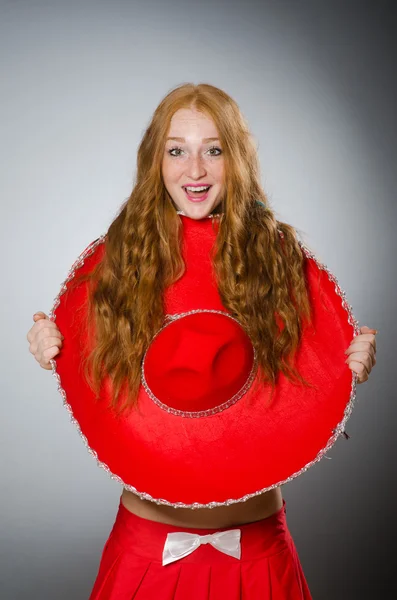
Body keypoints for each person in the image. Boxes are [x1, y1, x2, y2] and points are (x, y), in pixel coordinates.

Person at [27, 83, 377, 599]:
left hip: (258, 555)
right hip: (145, 552)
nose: (195, 171)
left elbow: (316, 364)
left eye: (213, 150)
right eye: (177, 151)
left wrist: (351, 360)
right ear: (156, 160)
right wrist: (48, 342)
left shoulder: (279, 260)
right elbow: (85, 351)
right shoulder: (123, 260)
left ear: (235, 158)